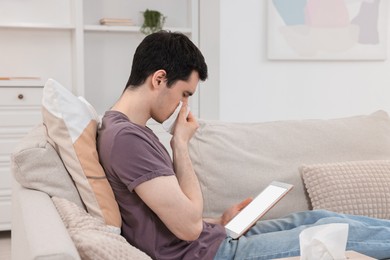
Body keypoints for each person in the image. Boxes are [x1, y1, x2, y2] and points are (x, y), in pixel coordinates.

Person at [97, 31, 390, 260]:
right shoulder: (126, 139)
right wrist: (181, 144)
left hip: (214, 240)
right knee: (331, 236)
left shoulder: (132, 132)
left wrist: (219, 221)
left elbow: (171, 215)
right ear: (160, 79)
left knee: (319, 218)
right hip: (212, 254)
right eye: (184, 94)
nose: (183, 106)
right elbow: (187, 228)